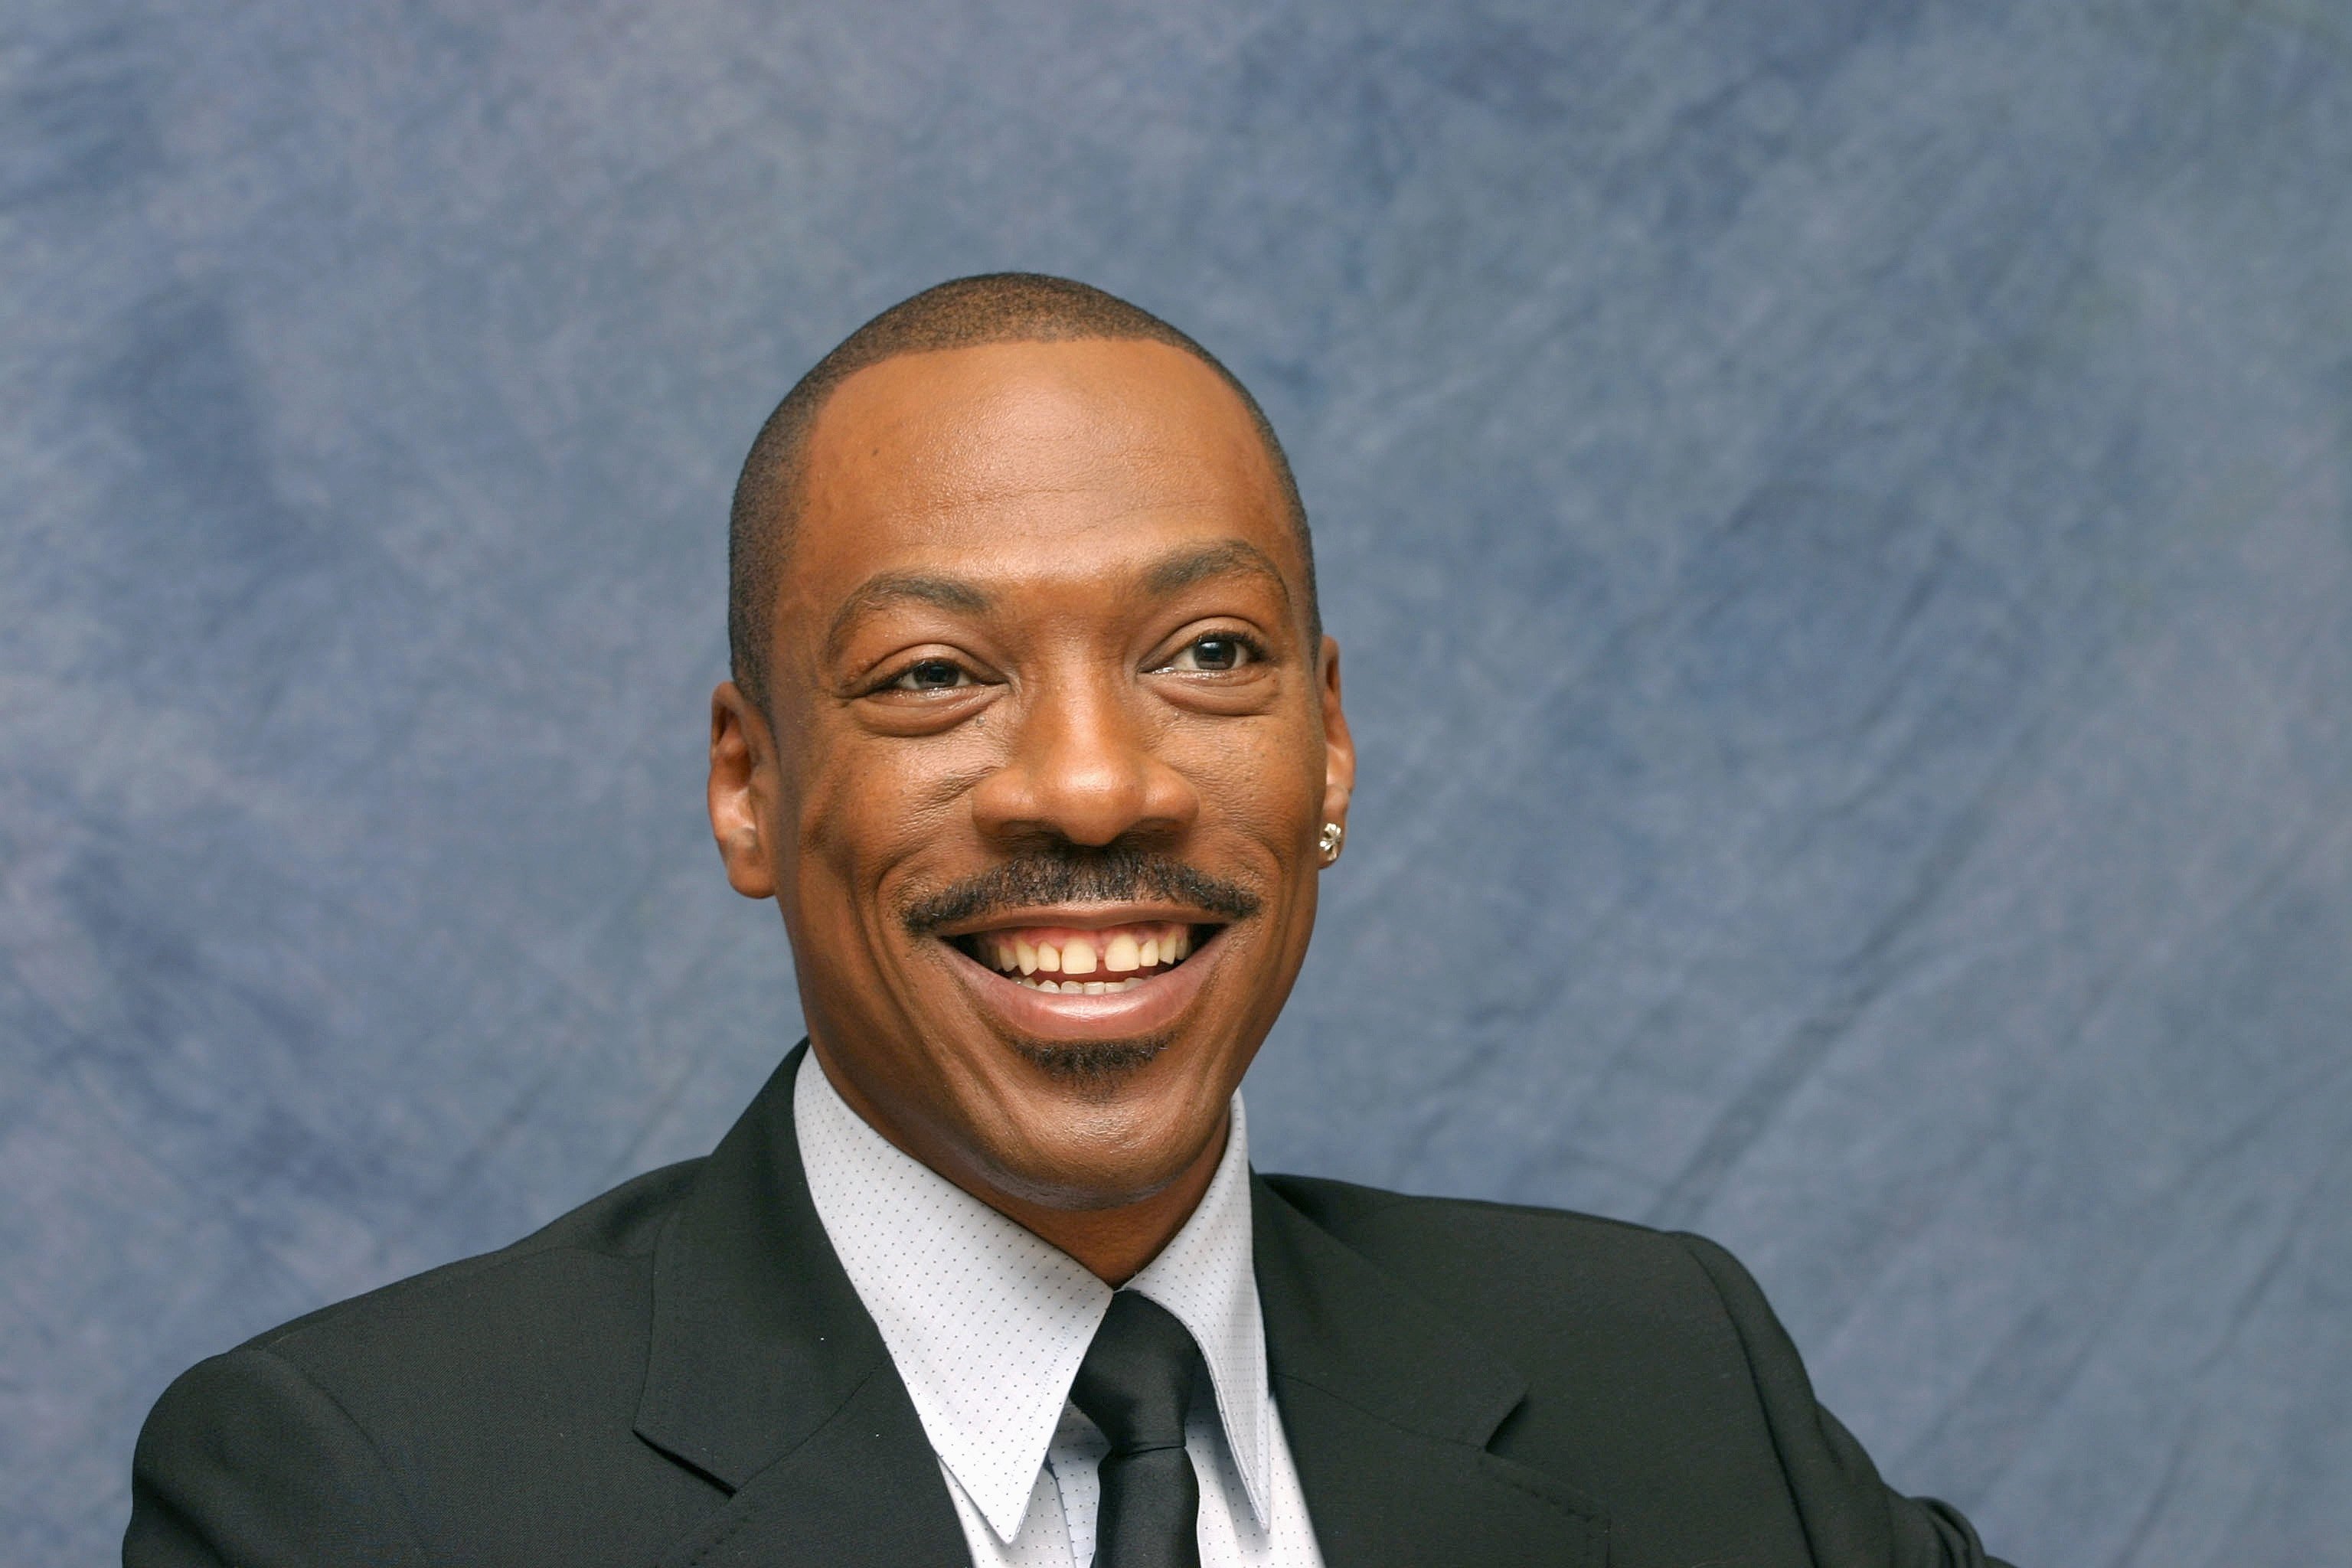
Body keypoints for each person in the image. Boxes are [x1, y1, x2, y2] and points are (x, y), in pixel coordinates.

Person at [126, 273, 2013, 1567]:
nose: (1095, 788)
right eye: (937, 675)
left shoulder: (1665, 1377)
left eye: (1208, 652)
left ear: (1329, 743)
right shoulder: (363, 1491)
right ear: (750, 786)